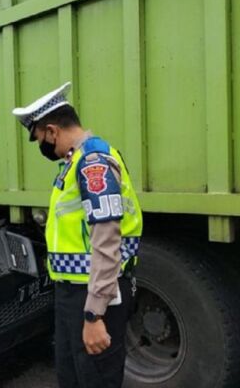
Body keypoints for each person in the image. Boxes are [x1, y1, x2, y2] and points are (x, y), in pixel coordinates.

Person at [12, 82, 143, 388]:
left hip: (96, 294)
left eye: (41, 138)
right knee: (73, 376)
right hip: (74, 292)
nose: (43, 147)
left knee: (95, 378)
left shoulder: (93, 163)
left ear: (53, 130)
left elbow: (107, 240)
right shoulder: (74, 162)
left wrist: (94, 314)